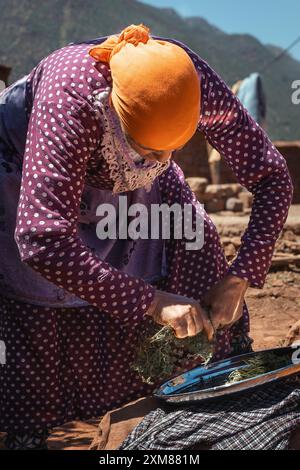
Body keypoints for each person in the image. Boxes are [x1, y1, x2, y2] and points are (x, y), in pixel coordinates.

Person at [0, 24, 293, 449]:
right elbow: (42, 240)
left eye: (175, 148)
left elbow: (272, 178)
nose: (164, 160)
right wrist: (152, 302)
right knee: (47, 292)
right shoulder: (73, 99)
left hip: (123, 168)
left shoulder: (191, 84)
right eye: (151, 150)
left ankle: (202, 383)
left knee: (191, 236)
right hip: (37, 176)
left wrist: (241, 276)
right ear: (114, 113)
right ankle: (35, 432)